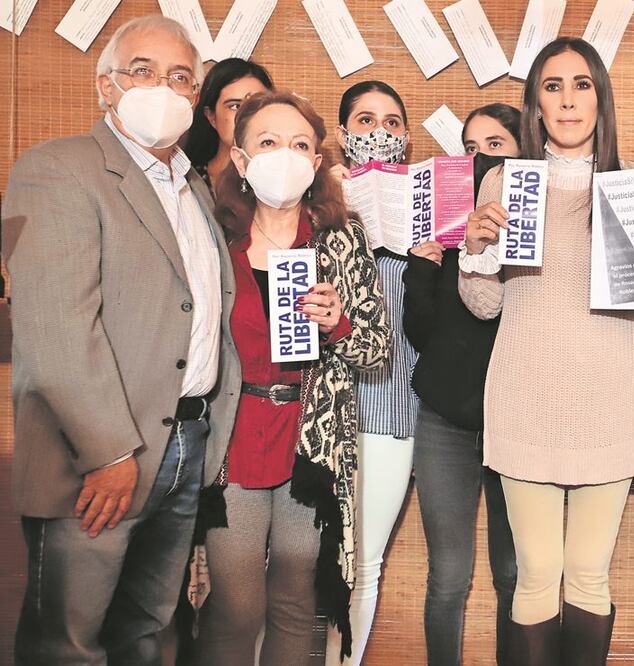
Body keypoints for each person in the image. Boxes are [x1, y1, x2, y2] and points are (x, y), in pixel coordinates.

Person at [459, 37, 634, 665]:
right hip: (524, 396)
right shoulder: (504, 180)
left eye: (582, 85)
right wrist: (475, 249)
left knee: (590, 576)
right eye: (553, 86)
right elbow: (485, 305)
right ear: (536, 103)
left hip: (607, 401)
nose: (568, 100)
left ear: (601, 99)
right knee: (537, 574)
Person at [2, 15, 241, 664]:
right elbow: (56, 329)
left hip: (187, 441)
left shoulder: (191, 184)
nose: (163, 88)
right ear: (106, 85)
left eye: (180, 77)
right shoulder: (59, 168)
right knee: (70, 644)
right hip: (102, 456)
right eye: (143, 71)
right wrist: (108, 452)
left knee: (147, 630)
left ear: (195, 98)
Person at [191, 91, 389, 665]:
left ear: (317, 161)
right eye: (269, 142)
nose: (286, 154)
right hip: (235, 435)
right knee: (237, 604)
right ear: (241, 158)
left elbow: (377, 349)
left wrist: (337, 324)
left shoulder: (342, 239)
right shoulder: (214, 236)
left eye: (300, 144)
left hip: (312, 440)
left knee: (297, 600)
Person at [403, 103, 521, 666]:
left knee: (514, 573)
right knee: (448, 577)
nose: (480, 159)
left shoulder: (538, 237)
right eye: (470, 148)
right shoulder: (447, 232)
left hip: (515, 421)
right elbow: (423, 335)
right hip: (445, 420)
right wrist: (422, 270)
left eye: (495, 146)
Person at [325, 80, 419, 665]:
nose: (378, 132)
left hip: (393, 407)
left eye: (391, 122)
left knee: (365, 563)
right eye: (364, 120)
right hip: (324, 409)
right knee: (303, 559)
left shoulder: (427, 207)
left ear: (405, 138)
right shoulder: (319, 202)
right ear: (342, 134)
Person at [183, 57, 273, 193]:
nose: (247, 115)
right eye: (235, 106)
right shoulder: (188, 183)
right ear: (211, 116)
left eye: (257, 105)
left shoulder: (282, 179)